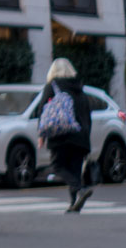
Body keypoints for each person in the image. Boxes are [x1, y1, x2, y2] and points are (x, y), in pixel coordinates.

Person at [37, 57, 95, 211]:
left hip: (61, 134)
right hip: (80, 135)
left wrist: (41, 135)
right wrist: (86, 136)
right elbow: (87, 115)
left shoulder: (53, 86)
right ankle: (74, 203)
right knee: (74, 169)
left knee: (57, 166)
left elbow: (43, 109)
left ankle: (80, 190)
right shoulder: (80, 88)